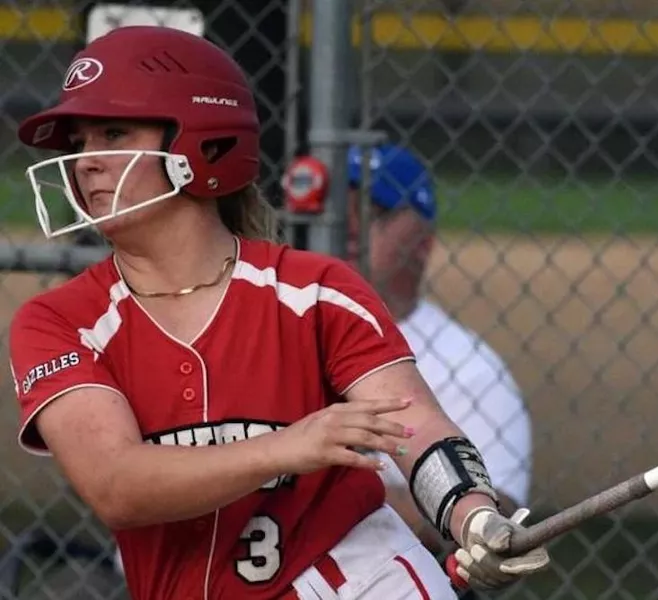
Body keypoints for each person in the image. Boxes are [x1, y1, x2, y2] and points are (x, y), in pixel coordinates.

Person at [8, 26, 550, 600]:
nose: (85, 163)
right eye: (80, 142)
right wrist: (290, 445)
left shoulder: (313, 291)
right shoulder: (60, 321)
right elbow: (115, 484)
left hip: (353, 582)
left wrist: (473, 517)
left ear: (203, 142)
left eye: (112, 133)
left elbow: (416, 428)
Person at [345, 145, 534, 588]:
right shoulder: (268, 334)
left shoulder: (470, 365)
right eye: (335, 209)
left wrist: (329, 495)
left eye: (371, 213)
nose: (347, 229)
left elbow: (496, 516)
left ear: (424, 242)